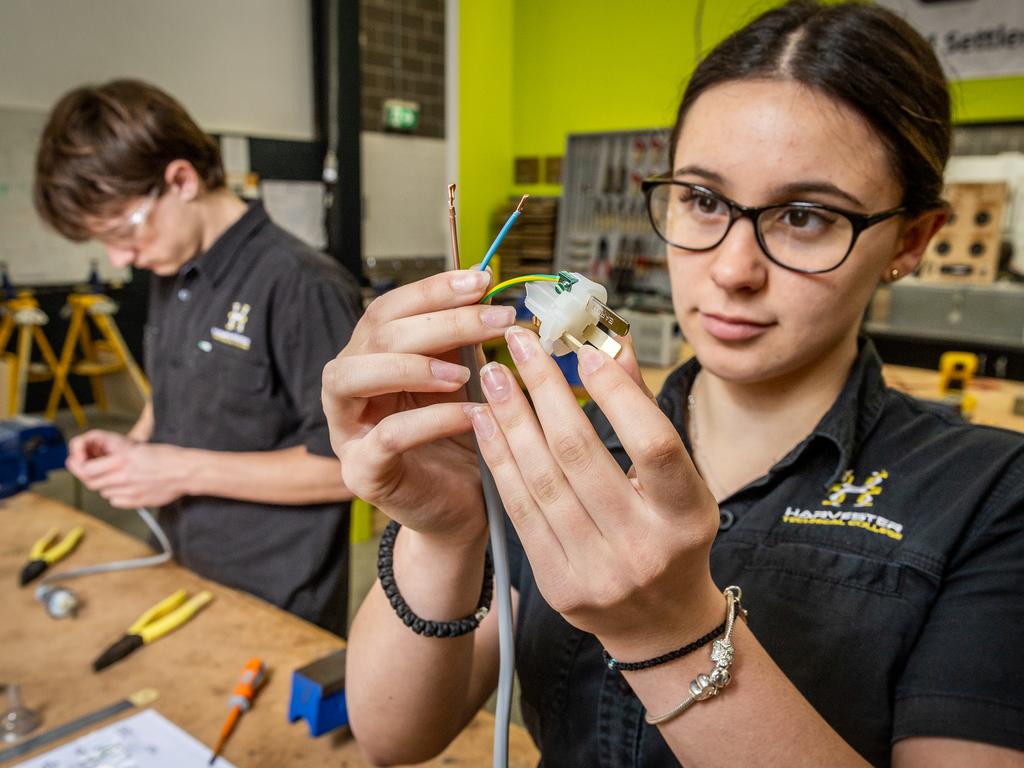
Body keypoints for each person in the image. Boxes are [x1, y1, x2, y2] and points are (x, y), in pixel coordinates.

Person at [323, 1, 1024, 764]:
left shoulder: (990, 499)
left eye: (806, 215)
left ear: (911, 241)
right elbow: (394, 737)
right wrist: (446, 530)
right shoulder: (570, 443)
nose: (731, 270)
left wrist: (670, 630)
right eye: (703, 200)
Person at [35, 80, 361, 636]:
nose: (120, 257)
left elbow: (353, 469)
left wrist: (176, 470)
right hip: (177, 562)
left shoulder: (302, 285)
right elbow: (175, 394)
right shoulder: (174, 271)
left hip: (276, 597)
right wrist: (135, 446)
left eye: (121, 231)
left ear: (181, 180)